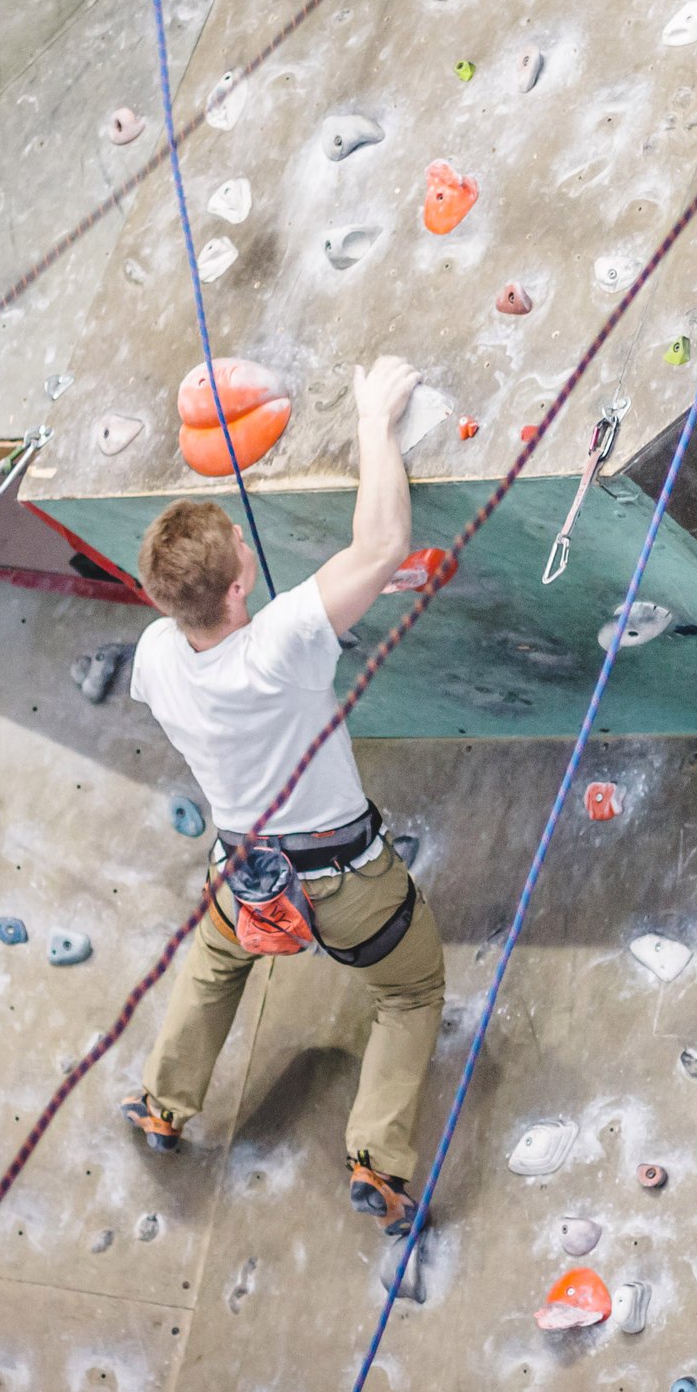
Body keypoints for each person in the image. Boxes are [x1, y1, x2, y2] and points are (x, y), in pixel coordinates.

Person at [119, 356, 446, 1230]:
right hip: (348, 883)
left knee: (218, 958)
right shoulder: (282, 643)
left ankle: (163, 1102)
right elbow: (380, 545)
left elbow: (222, 641)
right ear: (238, 586)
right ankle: (378, 1160)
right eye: (238, 545)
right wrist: (375, 418)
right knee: (410, 991)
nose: (243, 542)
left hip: (249, 875)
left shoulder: (156, 654)